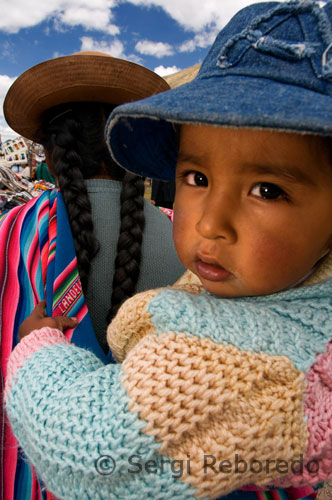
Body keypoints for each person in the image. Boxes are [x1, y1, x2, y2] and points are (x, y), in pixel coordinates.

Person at [4, 1, 332, 498]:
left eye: (267, 189)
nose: (209, 223)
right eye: (197, 178)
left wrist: (37, 350)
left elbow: (95, 454)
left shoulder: (262, 367)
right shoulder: (233, 277)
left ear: (49, 154)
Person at [0, 52, 185, 500]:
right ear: (132, 147)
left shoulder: (12, 234)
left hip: (41, 475)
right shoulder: (191, 240)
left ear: (49, 153)